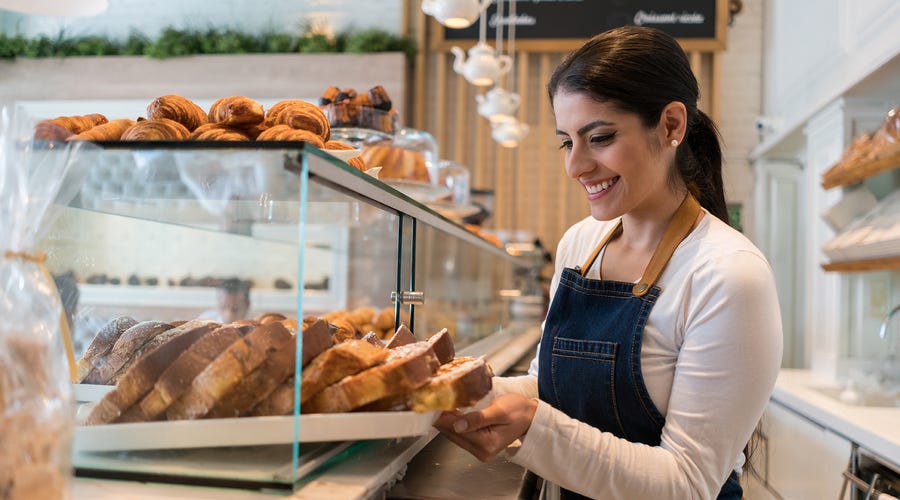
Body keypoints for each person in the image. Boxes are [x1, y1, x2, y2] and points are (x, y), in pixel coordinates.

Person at [435, 26, 783, 500]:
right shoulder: (580, 244)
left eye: (598, 137)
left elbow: (688, 483)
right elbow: (550, 387)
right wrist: (452, 387)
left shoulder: (729, 274)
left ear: (671, 126)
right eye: (566, 142)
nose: (576, 166)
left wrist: (534, 426)